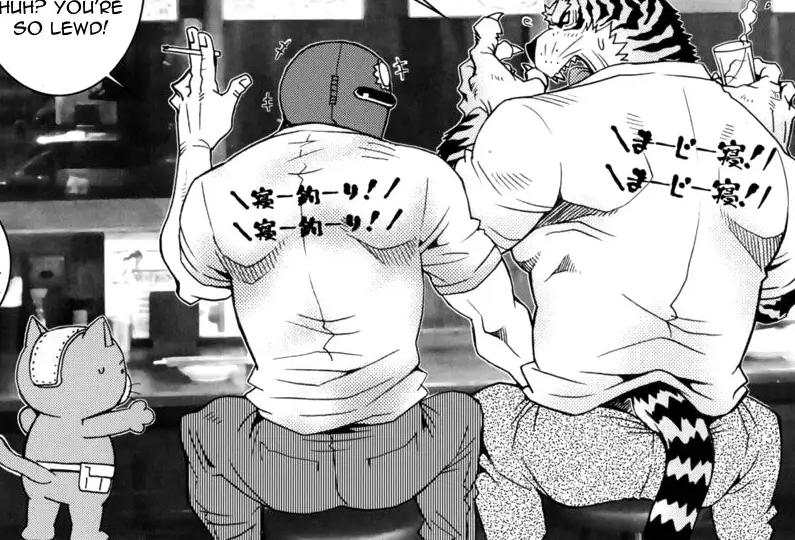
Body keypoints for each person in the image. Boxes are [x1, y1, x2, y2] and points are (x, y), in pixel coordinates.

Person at [439, 0, 795, 540]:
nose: (539, 54)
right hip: (722, 449)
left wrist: (482, 117)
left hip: (578, 450)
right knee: (761, 429)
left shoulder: (534, 121)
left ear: (602, 34)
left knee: (486, 417)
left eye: (555, 34)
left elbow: (460, 240)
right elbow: (778, 305)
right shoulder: (768, 151)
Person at [160, 29, 533, 540]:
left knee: (211, 426)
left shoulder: (217, 187)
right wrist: (549, 384)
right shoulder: (422, 175)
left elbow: (191, 281)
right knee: (460, 414)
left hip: (280, 470)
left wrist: (196, 145)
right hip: (399, 462)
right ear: (375, 104)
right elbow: (493, 313)